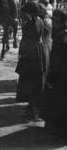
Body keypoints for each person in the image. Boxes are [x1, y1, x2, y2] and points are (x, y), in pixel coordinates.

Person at [15, 1, 47, 121]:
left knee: (29, 83)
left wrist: (22, 55)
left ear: (29, 12)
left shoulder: (30, 25)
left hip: (30, 56)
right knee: (35, 83)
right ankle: (32, 109)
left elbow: (27, 42)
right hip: (38, 54)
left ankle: (32, 111)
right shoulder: (40, 21)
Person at [45, 9, 67, 138]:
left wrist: (50, 78)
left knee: (59, 104)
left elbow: (56, 61)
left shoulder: (60, 37)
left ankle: (60, 131)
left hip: (62, 77)